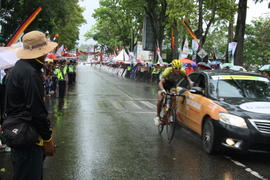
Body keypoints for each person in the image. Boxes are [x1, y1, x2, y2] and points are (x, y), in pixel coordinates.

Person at [3, 31, 57, 180]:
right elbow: (37, 111)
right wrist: (47, 139)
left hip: (18, 133)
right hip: (27, 137)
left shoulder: (18, 68)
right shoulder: (31, 73)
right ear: (40, 52)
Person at [154, 59, 192, 125]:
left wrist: (190, 83)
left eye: (179, 68)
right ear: (172, 67)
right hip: (163, 84)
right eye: (176, 68)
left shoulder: (182, 71)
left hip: (172, 84)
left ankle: (170, 113)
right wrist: (163, 90)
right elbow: (160, 83)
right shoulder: (167, 71)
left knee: (174, 97)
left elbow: (187, 77)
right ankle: (157, 115)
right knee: (160, 99)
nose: (178, 70)